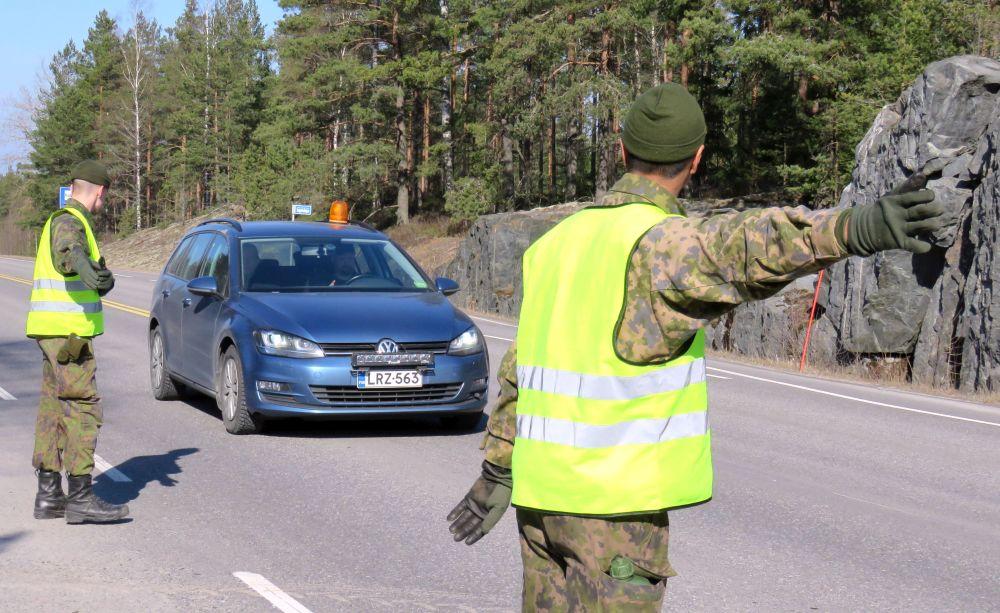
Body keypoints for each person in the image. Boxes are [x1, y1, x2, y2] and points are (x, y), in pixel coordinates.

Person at [446, 84, 944, 611]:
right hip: (615, 517)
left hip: (541, 508)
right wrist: (856, 227)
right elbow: (744, 247)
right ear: (697, 158)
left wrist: (496, 474)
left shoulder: (554, 245)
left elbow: (520, 371)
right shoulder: (659, 243)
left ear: (622, 149)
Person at [26, 159, 129, 524]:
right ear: (99, 192)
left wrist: (101, 276)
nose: (104, 203)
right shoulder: (69, 220)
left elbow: (82, 262)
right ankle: (81, 495)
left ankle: (49, 494)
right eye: (106, 196)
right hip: (69, 336)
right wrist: (89, 274)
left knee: (53, 408)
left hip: (52, 331)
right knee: (82, 407)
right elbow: (69, 253)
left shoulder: (66, 219)